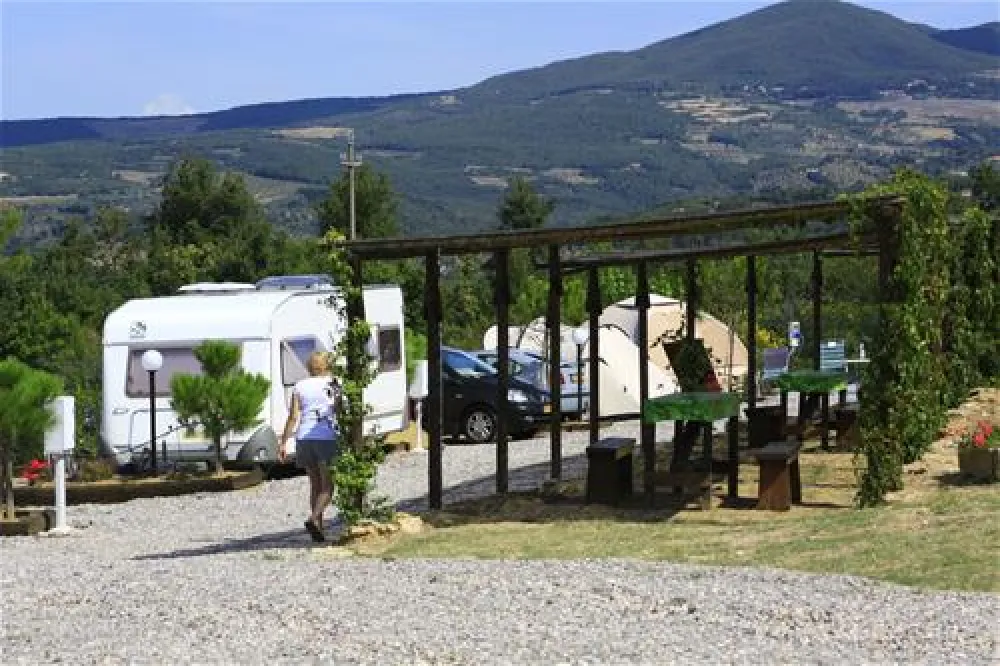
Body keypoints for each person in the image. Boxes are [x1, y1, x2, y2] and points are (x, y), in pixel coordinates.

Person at [279, 351, 341, 543]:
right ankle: (314, 519)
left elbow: (293, 417)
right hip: (326, 437)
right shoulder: (333, 384)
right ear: (327, 366)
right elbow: (339, 410)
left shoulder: (299, 386)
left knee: (315, 484)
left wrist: (283, 442)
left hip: (304, 438)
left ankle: (319, 529)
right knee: (328, 486)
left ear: (309, 367)